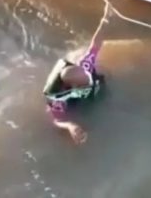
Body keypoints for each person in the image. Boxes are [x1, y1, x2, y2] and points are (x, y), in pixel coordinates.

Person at [43, 14, 111, 144]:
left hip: (85, 88)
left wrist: (105, 21)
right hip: (72, 99)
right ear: (74, 86)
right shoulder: (57, 100)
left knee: (100, 86)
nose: (88, 80)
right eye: (85, 82)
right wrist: (70, 126)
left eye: (87, 77)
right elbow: (56, 120)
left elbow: (95, 45)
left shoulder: (85, 67)